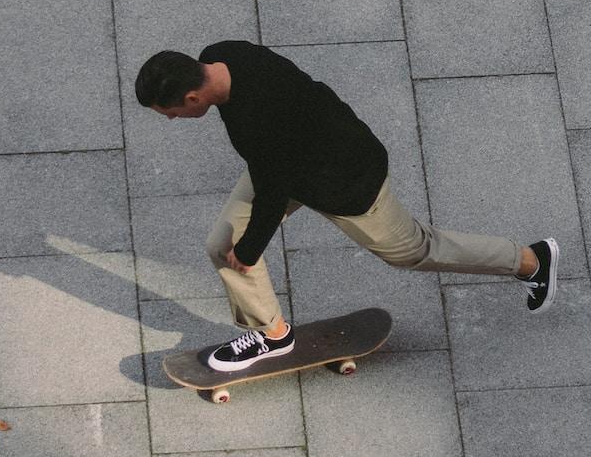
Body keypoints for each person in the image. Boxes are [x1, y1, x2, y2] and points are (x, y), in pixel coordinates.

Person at [135, 41, 558, 371]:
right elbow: (273, 168)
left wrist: (248, 251)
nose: (171, 120)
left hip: (346, 179)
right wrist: (240, 245)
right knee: (219, 244)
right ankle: (271, 334)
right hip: (284, 162)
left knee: (415, 251)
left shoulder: (256, 118)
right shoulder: (222, 55)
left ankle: (530, 261)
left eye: (168, 112)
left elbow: (273, 187)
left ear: (192, 97)